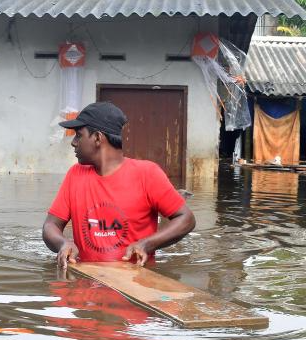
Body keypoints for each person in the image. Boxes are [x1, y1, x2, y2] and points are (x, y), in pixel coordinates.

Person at [42, 101, 196, 269]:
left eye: (79, 135)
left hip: (134, 283)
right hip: (85, 281)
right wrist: (63, 244)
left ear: (98, 138)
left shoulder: (147, 174)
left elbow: (186, 219)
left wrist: (147, 244)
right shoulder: (75, 174)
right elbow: (51, 225)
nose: (74, 142)